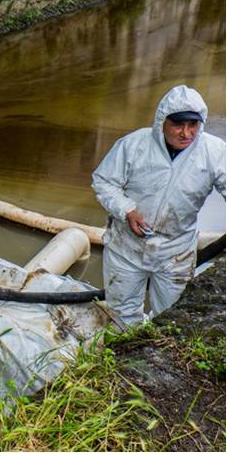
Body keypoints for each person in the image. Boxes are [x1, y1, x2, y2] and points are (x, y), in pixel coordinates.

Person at [91, 85, 225, 325]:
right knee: (121, 314)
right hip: (126, 248)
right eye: (178, 125)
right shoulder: (134, 145)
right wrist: (127, 210)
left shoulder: (213, 152)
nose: (186, 133)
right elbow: (104, 181)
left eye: (192, 125)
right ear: (162, 121)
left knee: (172, 317)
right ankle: (124, 354)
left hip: (176, 251)